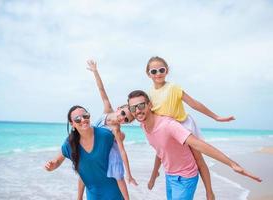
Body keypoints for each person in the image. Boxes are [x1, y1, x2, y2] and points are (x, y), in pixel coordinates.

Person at [127, 90, 261, 200]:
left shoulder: (168, 125)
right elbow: (160, 151)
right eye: (133, 108)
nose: (138, 110)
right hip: (169, 176)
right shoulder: (144, 127)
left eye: (141, 105)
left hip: (185, 177)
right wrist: (153, 176)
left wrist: (232, 164)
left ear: (149, 105)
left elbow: (199, 145)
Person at [145, 56, 235, 200]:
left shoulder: (173, 88)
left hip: (183, 126)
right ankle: (155, 174)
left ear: (166, 71)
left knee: (198, 159)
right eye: (153, 71)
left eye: (161, 70)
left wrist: (216, 117)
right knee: (162, 152)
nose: (158, 74)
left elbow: (194, 104)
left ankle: (209, 192)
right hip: (166, 131)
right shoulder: (149, 94)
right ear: (148, 74)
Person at [80, 60, 137, 200]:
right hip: (96, 146)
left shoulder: (116, 129)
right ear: (119, 108)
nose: (122, 118)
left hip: (111, 151)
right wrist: (95, 71)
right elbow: (101, 90)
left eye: (126, 120)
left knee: (118, 175)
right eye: (123, 114)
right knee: (83, 166)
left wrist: (129, 173)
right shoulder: (107, 110)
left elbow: (122, 151)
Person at [45, 105, 123, 200]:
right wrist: (51, 165)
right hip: (93, 196)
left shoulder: (105, 135)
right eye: (77, 119)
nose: (83, 120)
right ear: (72, 124)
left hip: (114, 193)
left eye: (85, 115)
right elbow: (58, 162)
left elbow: (121, 138)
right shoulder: (70, 144)